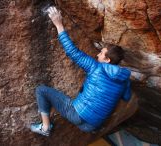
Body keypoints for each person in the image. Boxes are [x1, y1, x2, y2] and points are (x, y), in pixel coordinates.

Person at [30, 7, 131, 137]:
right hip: (93, 126)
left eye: (101, 53)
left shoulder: (96, 68)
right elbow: (126, 97)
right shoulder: (125, 80)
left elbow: (73, 52)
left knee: (41, 90)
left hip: (77, 116)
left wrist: (59, 24)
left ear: (107, 60)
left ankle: (45, 127)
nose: (97, 55)